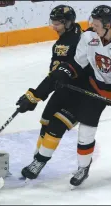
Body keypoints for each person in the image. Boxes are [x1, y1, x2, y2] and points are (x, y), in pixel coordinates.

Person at [49, 5, 111, 186]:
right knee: (85, 131)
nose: (92, 27)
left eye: (96, 24)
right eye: (91, 23)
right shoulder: (88, 37)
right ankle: (83, 168)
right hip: (95, 89)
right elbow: (78, 62)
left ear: (108, 26)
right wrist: (64, 72)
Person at [16, 5, 85, 180]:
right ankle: (38, 158)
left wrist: (34, 96)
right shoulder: (75, 34)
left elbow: (58, 75)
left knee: (56, 125)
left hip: (81, 93)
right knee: (46, 121)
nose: (54, 26)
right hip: (64, 89)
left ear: (68, 23)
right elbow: (57, 76)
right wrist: (36, 96)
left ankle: (39, 161)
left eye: (57, 23)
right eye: (52, 22)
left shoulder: (68, 44)